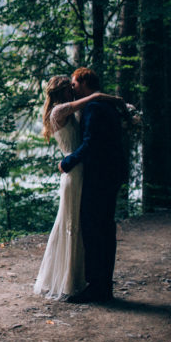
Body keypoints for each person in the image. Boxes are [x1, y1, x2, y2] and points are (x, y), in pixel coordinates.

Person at [33, 75, 124, 300]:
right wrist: (108, 98)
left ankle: (83, 280)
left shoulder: (75, 110)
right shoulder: (59, 111)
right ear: (62, 91)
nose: (73, 91)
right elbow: (93, 100)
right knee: (73, 226)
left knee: (81, 228)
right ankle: (72, 281)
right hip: (74, 172)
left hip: (84, 172)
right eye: (70, 88)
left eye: (74, 87)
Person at [59, 67, 126, 303]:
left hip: (100, 177)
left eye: (75, 84)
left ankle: (97, 286)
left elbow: (91, 144)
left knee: (93, 230)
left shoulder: (94, 108)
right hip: (111, 174)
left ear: (85, 82)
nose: (73, 89)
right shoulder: (105, 106)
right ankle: (103, 285)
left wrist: (68, 162)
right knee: (105, 229)